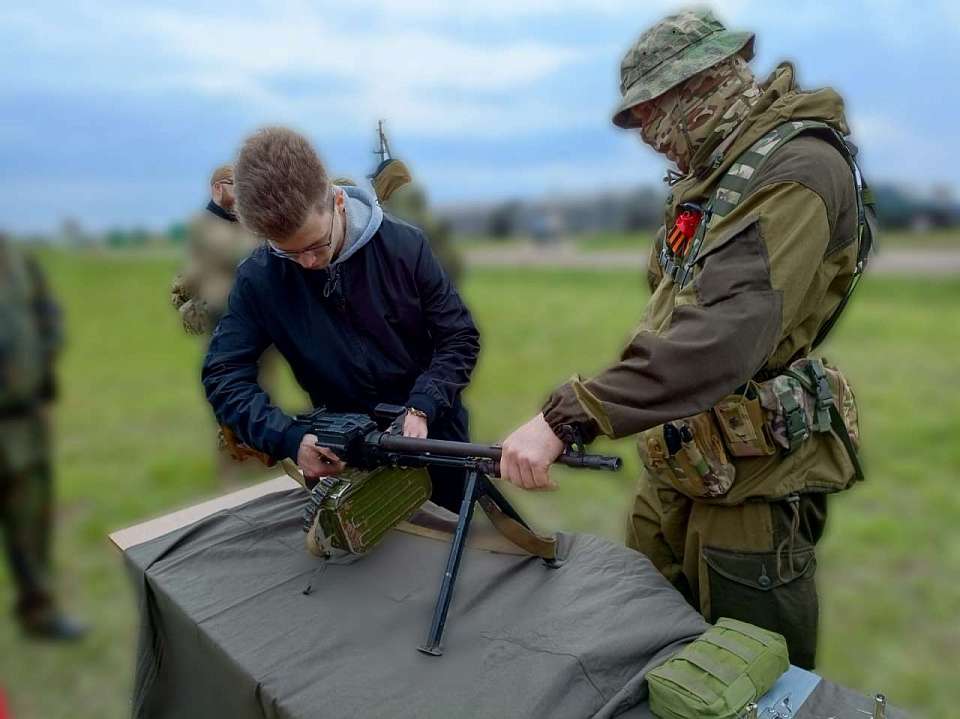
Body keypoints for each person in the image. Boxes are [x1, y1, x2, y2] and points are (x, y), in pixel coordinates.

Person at [499, 9, 873, 669]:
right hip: (682, 461)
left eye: (651, 114)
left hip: (752, 485)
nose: (648, 135)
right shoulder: (713, 176)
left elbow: (728, 332)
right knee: (648, 658)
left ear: (697, 89)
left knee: (744, 683)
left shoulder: (798, 169)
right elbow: (669, 306)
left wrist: (573, 413)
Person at [202, 127, 480, 512]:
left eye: (316, 245)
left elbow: (459, 338)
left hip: (435, 442)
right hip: (344, 461)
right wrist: (289, 439)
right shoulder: (259, 277)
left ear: (336, 201)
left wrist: (422, 407)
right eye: (288, 252)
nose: (308, 263)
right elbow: (224, 374)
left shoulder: (405, 247)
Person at [0, 233, 86, 640]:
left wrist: (41, 369)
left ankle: (39, 610)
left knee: (31, 519)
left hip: (23, 419)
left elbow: (47, 314)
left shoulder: (15, 257)